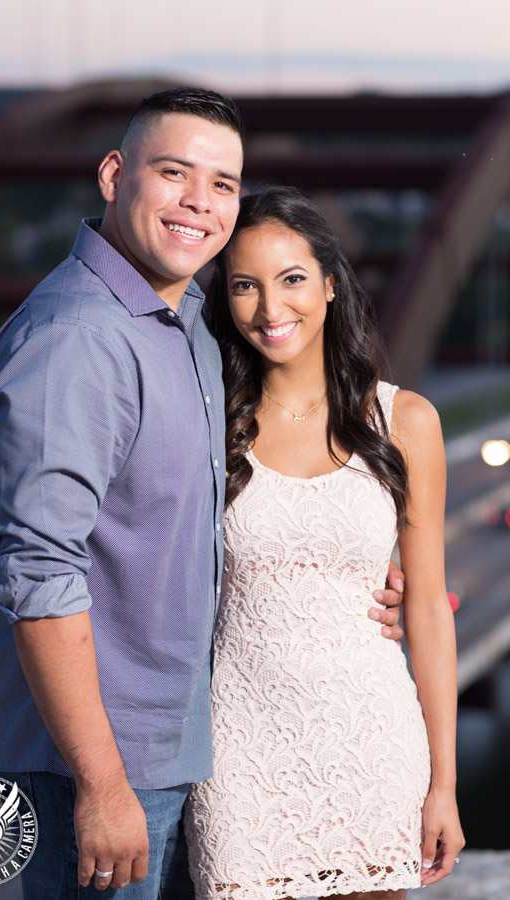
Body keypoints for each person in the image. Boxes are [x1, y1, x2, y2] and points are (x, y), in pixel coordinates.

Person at [0, 88, 405, 900]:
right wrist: (102, 787)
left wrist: (363, 567)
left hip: (178, 756)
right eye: (174, 173)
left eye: (222, 183)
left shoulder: (188, 322)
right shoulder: (79, 340)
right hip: (99, 769)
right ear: (113, 174)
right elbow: (39, 576)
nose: (199, 205)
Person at [184, 186, 465, 900]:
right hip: (239, 750)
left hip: (372, 743)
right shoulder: (204, 419)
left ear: (331, 284)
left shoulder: (407, 421)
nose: (271, 309)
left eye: (292, 279)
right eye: (245, 285)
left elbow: (428, 608)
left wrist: (444, 783)